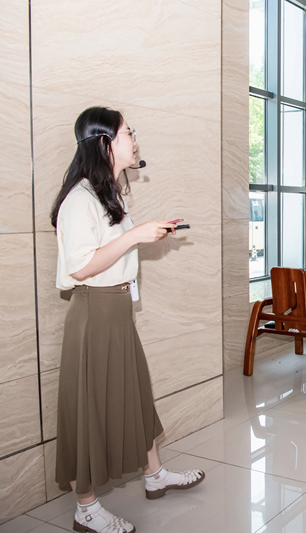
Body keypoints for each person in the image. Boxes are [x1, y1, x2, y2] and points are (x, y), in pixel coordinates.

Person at [52, 107, 205, 533]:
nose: (134, 140)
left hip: (117, 311)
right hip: (95, 314)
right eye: (127, 132)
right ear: (105, 143)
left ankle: (154, 475)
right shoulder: (79, 199)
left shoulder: (108, 194)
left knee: (135, 394)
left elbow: (112, 251)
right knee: (89, 408)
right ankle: (86, 508)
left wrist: (147, 234)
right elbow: (80, 267)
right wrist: (136, 235)